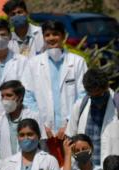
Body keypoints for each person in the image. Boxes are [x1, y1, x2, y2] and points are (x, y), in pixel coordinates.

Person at [22, 20, 88, 159]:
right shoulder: (33, 63)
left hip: (71, 128)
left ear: (63, 36)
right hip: (44, 131)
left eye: (55, 34)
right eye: (47, 35)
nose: (51, 38)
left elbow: (83, 95)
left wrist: (68, 124)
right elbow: (28, 96)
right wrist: (41, 125)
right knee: (46, 168)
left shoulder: (77, 62)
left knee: (71, 168)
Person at [64, 70, 117, 167]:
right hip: (85, 169)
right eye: (92, 96)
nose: (96, 98)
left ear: (106, 88)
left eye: (99, 94)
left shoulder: (116, 106)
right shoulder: (80, 105)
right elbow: (70, 138)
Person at [0, 80, 45, 160]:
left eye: (9, 95)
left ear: (20, 97)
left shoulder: (34, 117)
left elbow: (42, 144)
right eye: (2, 96)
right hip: (6, 166)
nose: (4, 99)